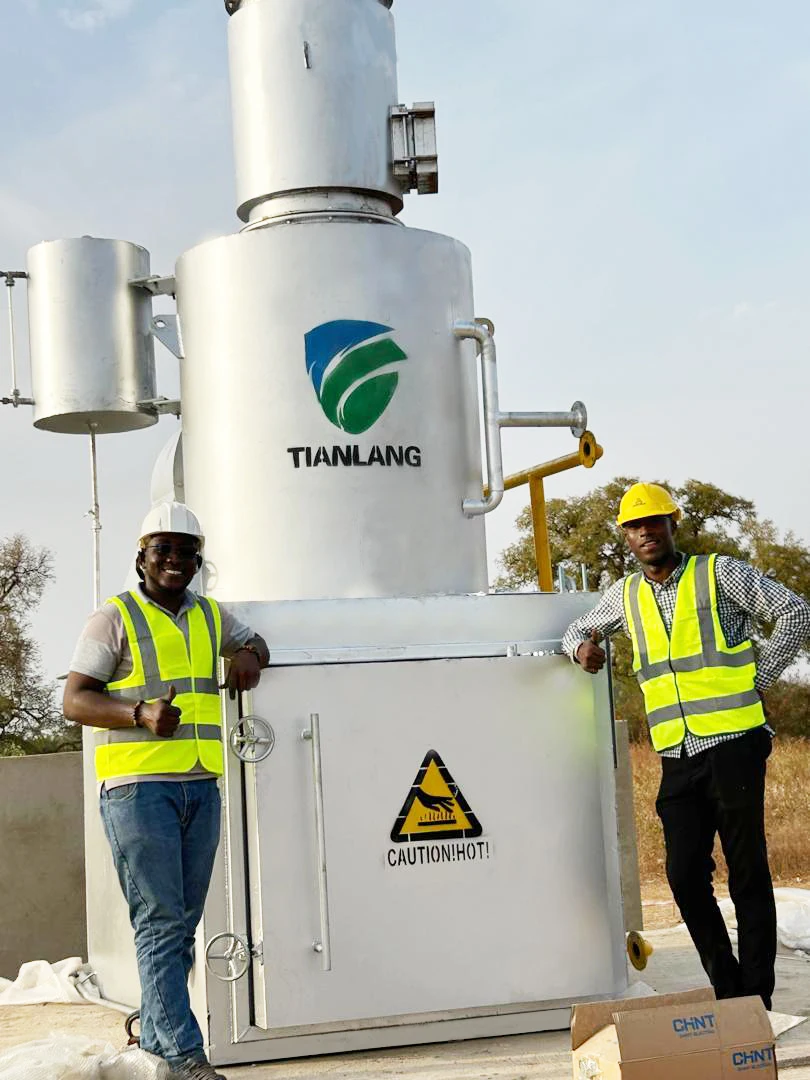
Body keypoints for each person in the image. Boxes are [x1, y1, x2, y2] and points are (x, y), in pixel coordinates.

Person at [562, 482, 810, 1010]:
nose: (645, 532)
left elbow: (795, 611)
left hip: (734, 744)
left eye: (654, 521)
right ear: (626, 536)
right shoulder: (625, 595)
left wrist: (759, 679)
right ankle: (729, 987)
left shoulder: (719, 574)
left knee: (747, 871)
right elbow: (579, 626)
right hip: (675, 753)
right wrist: (579, 646)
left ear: (673, 524)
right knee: (682, 875)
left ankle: (754, 999)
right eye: (635, 525)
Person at [64, 501, 270, 1080]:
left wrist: (250, 656)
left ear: (198, 561)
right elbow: (75, 699)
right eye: (163, 550)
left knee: (180, 924)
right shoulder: (114, 618)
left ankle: (157, 1043)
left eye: (186, 551)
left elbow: (258, 642)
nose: (174, 560)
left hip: (201, 785)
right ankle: (183, 1056)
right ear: (142, 558)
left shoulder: (210, 616)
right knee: (160, 921)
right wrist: (138, 712)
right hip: (139, 791)